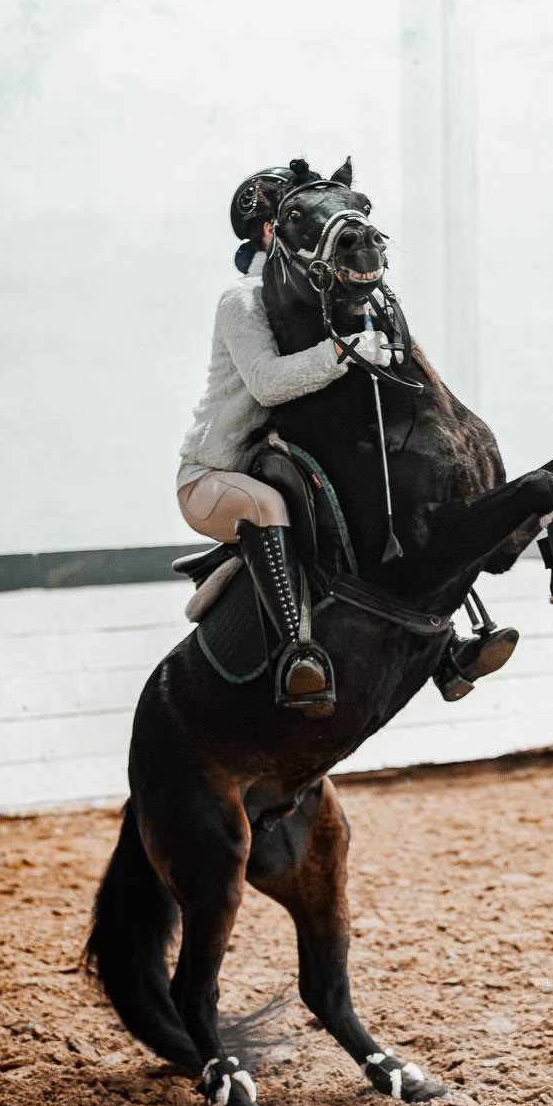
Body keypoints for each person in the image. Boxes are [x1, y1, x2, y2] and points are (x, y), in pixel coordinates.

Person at [176, 168, 392, 718]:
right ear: (269, 233)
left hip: (268, 464)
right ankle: (301, 654)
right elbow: (270, 382)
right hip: (213, 476)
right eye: (291, 221)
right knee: (266, 506)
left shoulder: (304, 300)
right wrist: (348, 352)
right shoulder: (242, 299)